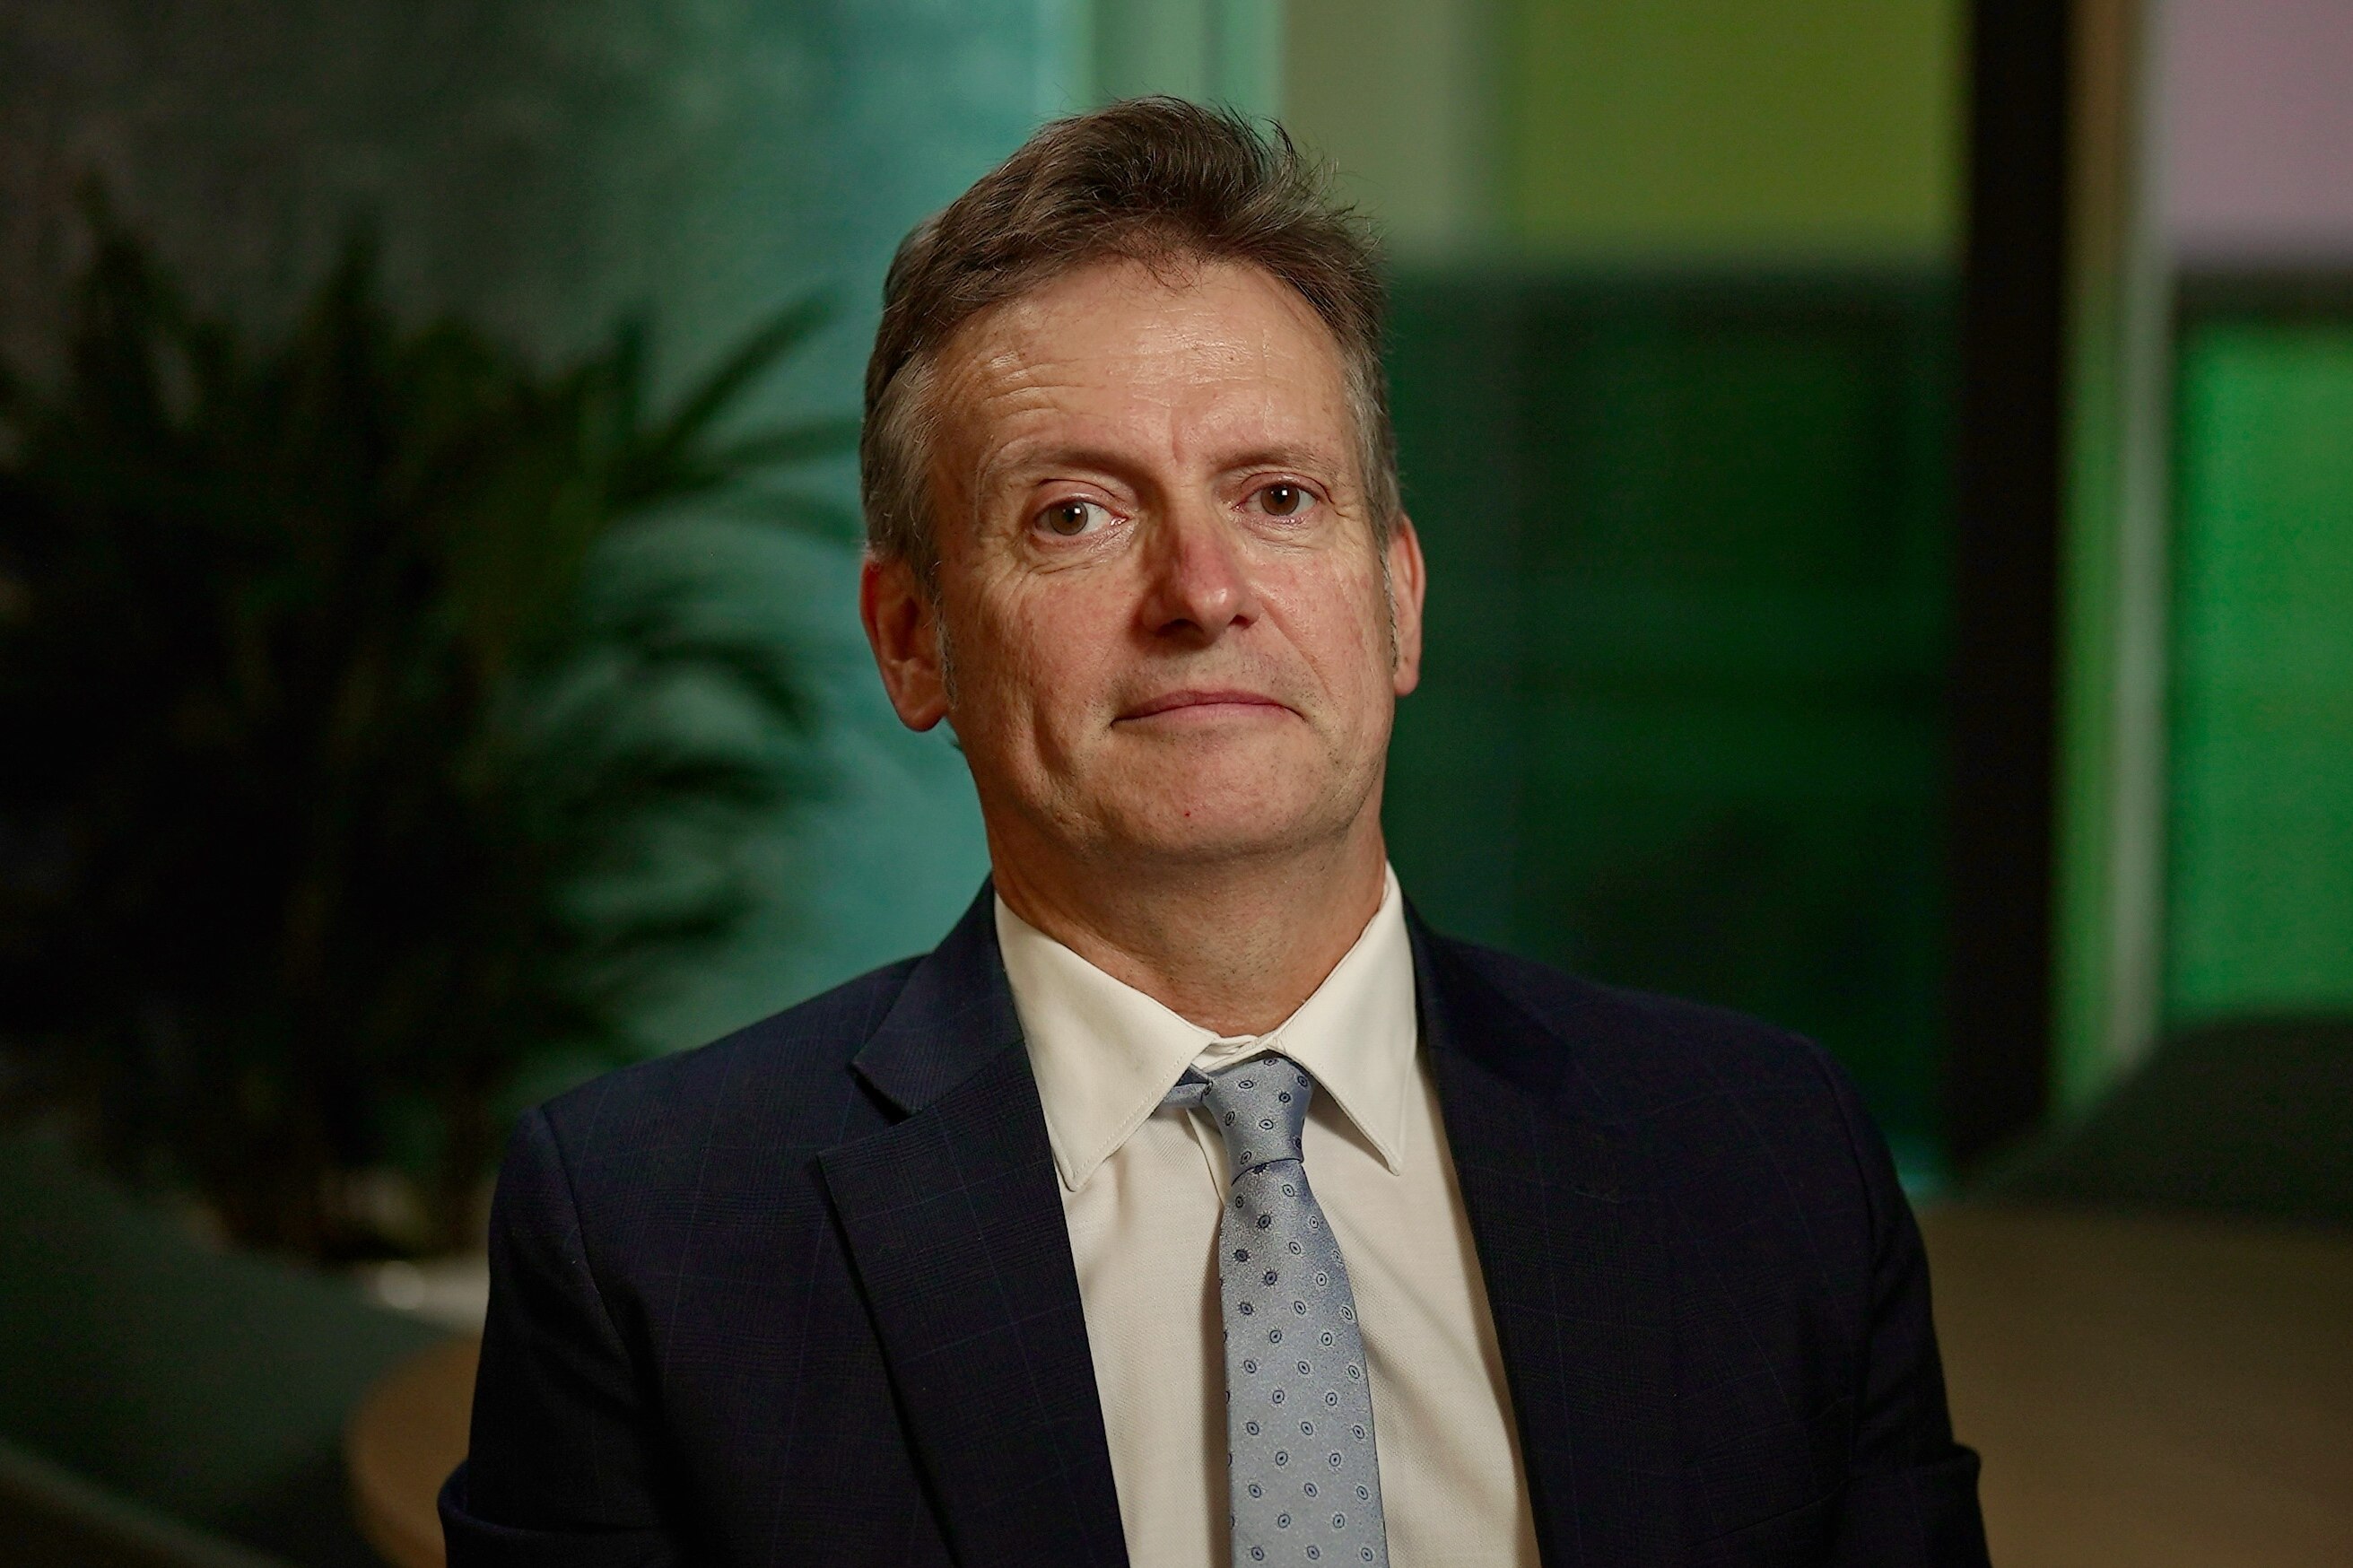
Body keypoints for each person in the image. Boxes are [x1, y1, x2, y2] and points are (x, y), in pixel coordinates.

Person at [440, 98, 1989, 1568]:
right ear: (913, 641)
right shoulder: (654, 1232)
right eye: (1075, 515)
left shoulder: (1769, 1162)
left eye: (1279, 496)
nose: (1202, 591)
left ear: (1397, 599)